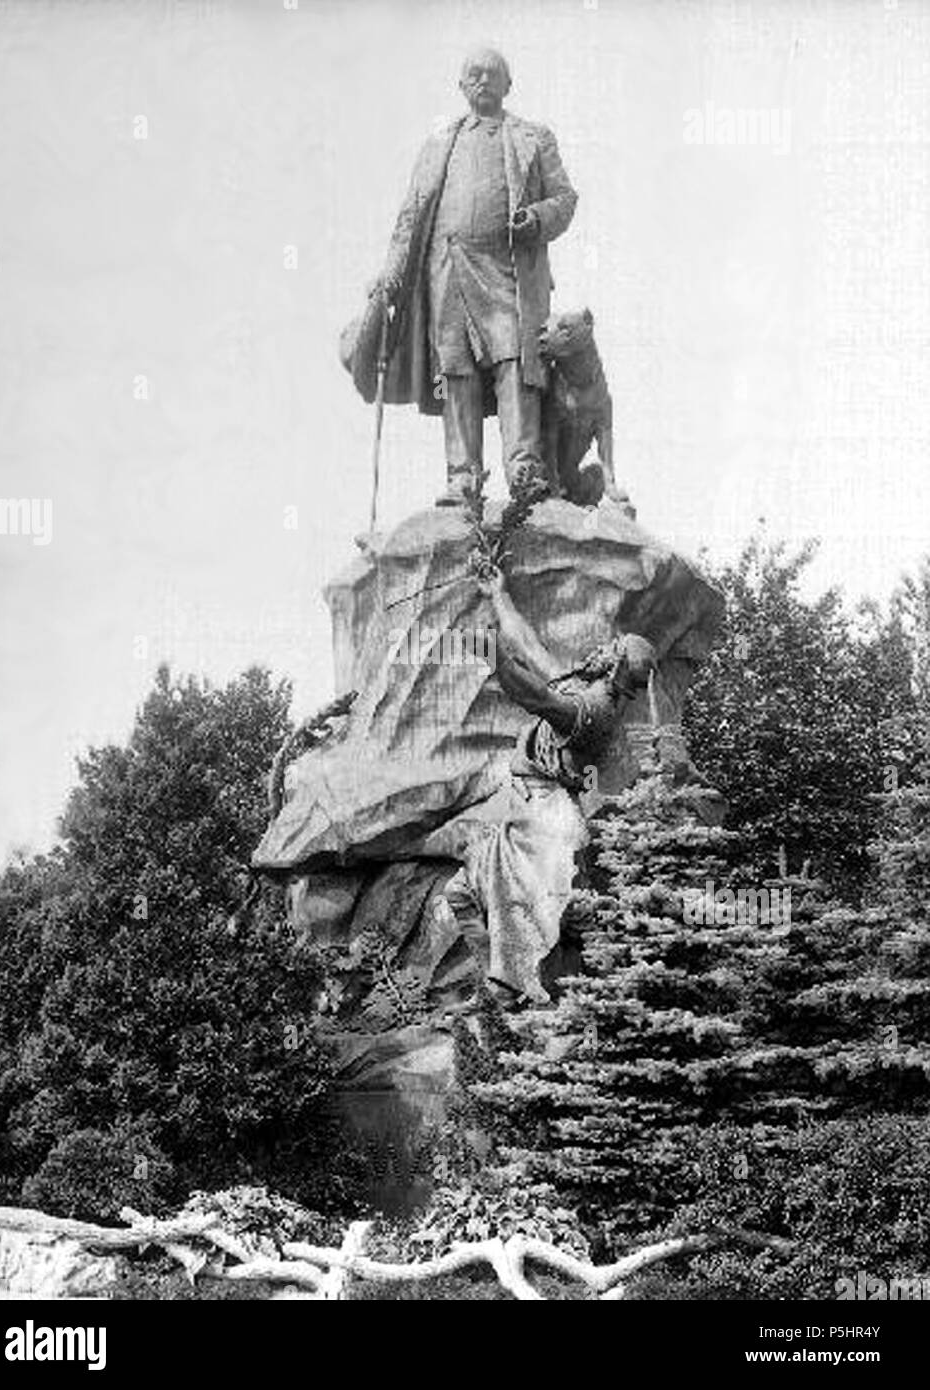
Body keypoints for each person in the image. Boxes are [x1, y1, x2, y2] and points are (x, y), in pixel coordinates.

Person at [370, 47, 577, 505]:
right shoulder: (437, 145)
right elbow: (410, 217)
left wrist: (538, 219)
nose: (483, 81)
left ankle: (524, 469)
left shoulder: (532, 137)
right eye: (473, 75)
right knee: (455, 371)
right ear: (462, 86)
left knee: (515, 363)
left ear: (508, 85)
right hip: (447, 271)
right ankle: (462, 477)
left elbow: (565, 199)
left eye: (492, 75)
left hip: (508, 270)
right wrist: (390, 274)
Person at [442, 568, 656, 1005]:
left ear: (615, 666)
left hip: (546, 819)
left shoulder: (595, 710)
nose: (603, 647)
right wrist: (499, 596)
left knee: (521, 913)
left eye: (612, 648)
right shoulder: (586, 683)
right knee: (463, 892)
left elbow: (535, 695)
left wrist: (492, 654)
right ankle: (506, 991)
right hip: (526, 804)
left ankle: (510, 997)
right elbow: (533, 652)